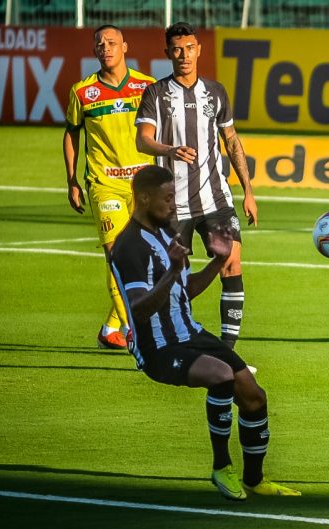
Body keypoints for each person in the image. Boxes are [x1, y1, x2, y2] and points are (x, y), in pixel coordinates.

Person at [109, 165, 300, 499]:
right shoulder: (129, 247)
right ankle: (221, 466)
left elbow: (187, 290)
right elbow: (138, 310)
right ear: (144, 198)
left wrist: (217, 261)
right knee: (221, 374)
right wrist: (172, 271)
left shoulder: (168, 234)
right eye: (167, 198)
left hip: (191, 333)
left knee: (254, 396)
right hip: (158, 347)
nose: (173, 205)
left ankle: (255, 480)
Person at [135, 21, 257, 351]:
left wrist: (248, 191)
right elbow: (142, 140)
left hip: (216, 198)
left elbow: (231, 141)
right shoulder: (156, 94)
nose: (184, 55)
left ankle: (228, 351)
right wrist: (169, 150)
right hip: (173, 205)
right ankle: (171, 336)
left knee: (231, 261)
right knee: (176, 279)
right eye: (177, 50)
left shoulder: (216, 92)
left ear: (199, 49)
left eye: (189, 48)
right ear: (167, 53)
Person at [63, 24, 155, 349]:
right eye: (100, 44)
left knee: (143, 261)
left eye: (112, 42)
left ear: (125, 47)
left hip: (144, 187)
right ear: (95, 51)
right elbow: (72, 132)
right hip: (105, 185)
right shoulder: (82, 92)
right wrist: (72, 180)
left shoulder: (147, 87)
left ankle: (110, 328)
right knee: (117, 255)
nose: (106, 48)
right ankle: (135, 331)